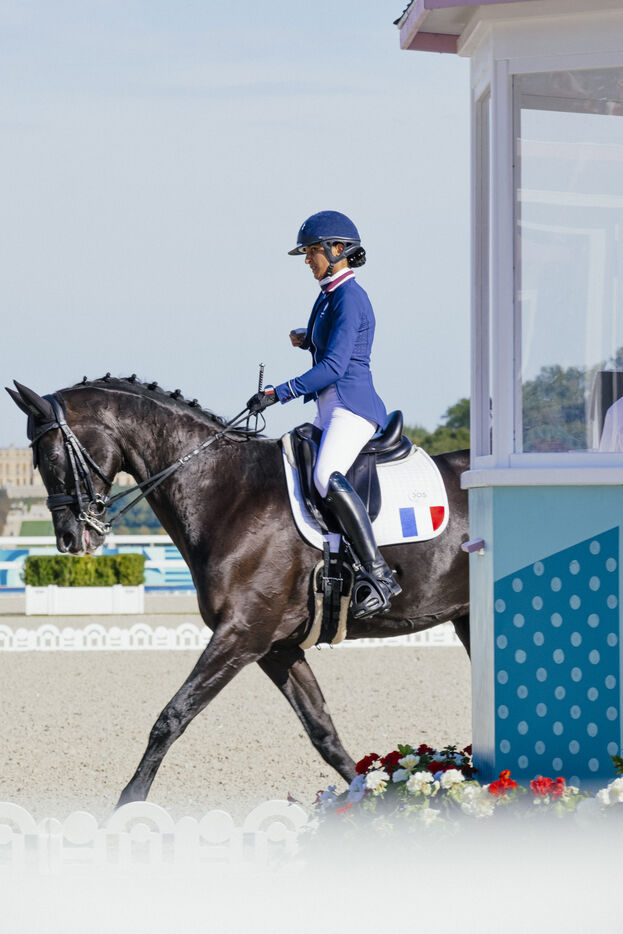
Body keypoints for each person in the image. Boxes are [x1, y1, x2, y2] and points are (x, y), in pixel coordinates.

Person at [247, 210, 402, 618]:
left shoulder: (350, 297)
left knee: (323, 475)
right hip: (330, 407)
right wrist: (307, 340)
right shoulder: (329, 293)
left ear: (337, 249)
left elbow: (334, 367)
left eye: (312, 251)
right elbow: (330, 344)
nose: (307, 259)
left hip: (352, 408)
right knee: (291, 461)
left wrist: (278, 392)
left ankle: (380, 575)